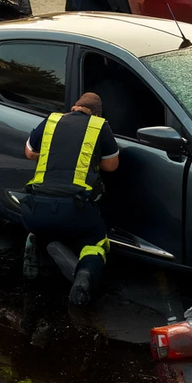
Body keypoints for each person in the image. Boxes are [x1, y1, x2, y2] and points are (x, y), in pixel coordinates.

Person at [20, 93, 120, 306]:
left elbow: (29, 153)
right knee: (95, 241)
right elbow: (111, 165)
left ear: (75, 107)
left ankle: (37, 242)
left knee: (48, 226)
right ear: (96, 113)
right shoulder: (99, 125)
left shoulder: (52, 120)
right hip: (74, 208)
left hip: (34, 207)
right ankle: (84, 275)